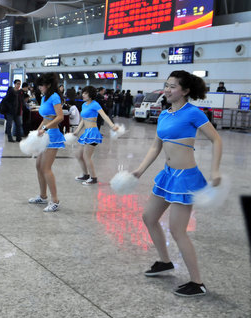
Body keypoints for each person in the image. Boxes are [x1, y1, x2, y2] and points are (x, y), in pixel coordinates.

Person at [131, 70, 222, 297]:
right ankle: (164, 261)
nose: (167, 89)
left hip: (186, 178)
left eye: (172, 86)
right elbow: (156, 146)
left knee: (177, 230)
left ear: (185, 90)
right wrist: (139, 171)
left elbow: (216, 139)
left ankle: (197, 282)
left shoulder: (193, 113)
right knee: (149, 217)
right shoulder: (164, 114)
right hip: (168, 175)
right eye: (166, 85)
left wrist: (215, 170)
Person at [27, 73, 65, 212]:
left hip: (53, 136)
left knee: (46, 168)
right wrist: (38, 131)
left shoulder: (54, 97)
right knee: (39, 166)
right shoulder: (44, 97)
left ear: (48, 85)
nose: (39, 88)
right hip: (44, 134)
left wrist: (45, 128)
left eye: (41, 85)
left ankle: (55, 200)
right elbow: (46, 117)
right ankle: (43, 196)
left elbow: (60, 117)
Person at [72, 86, 119, 185]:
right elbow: (83, 120)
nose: (83, 95)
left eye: (85, 93)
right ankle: (85, 175)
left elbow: (104, 115)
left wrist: (112, 126)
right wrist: (76, 131)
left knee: (86, 156)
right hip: (86, 133)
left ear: (90, 94)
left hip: (93, 132)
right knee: (79, 155)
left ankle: (93, 178)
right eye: (83, 93)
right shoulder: (84, 105)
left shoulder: (95, 104)